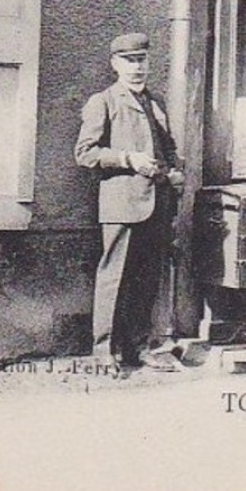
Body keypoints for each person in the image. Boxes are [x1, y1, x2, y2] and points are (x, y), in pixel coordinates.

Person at [75, 32, 188, 372]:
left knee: (146, 279)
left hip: (157, 203)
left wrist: (173, 172)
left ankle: (139, 347)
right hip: (122, 204)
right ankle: (103, 352)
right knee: (114, 279)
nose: (137, 68)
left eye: (141, 60)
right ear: (115, 65)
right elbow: (85, 153)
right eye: (129, 61)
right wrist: (127, 159)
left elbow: (166, 149)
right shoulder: (104, 102)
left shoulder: (156, 103)